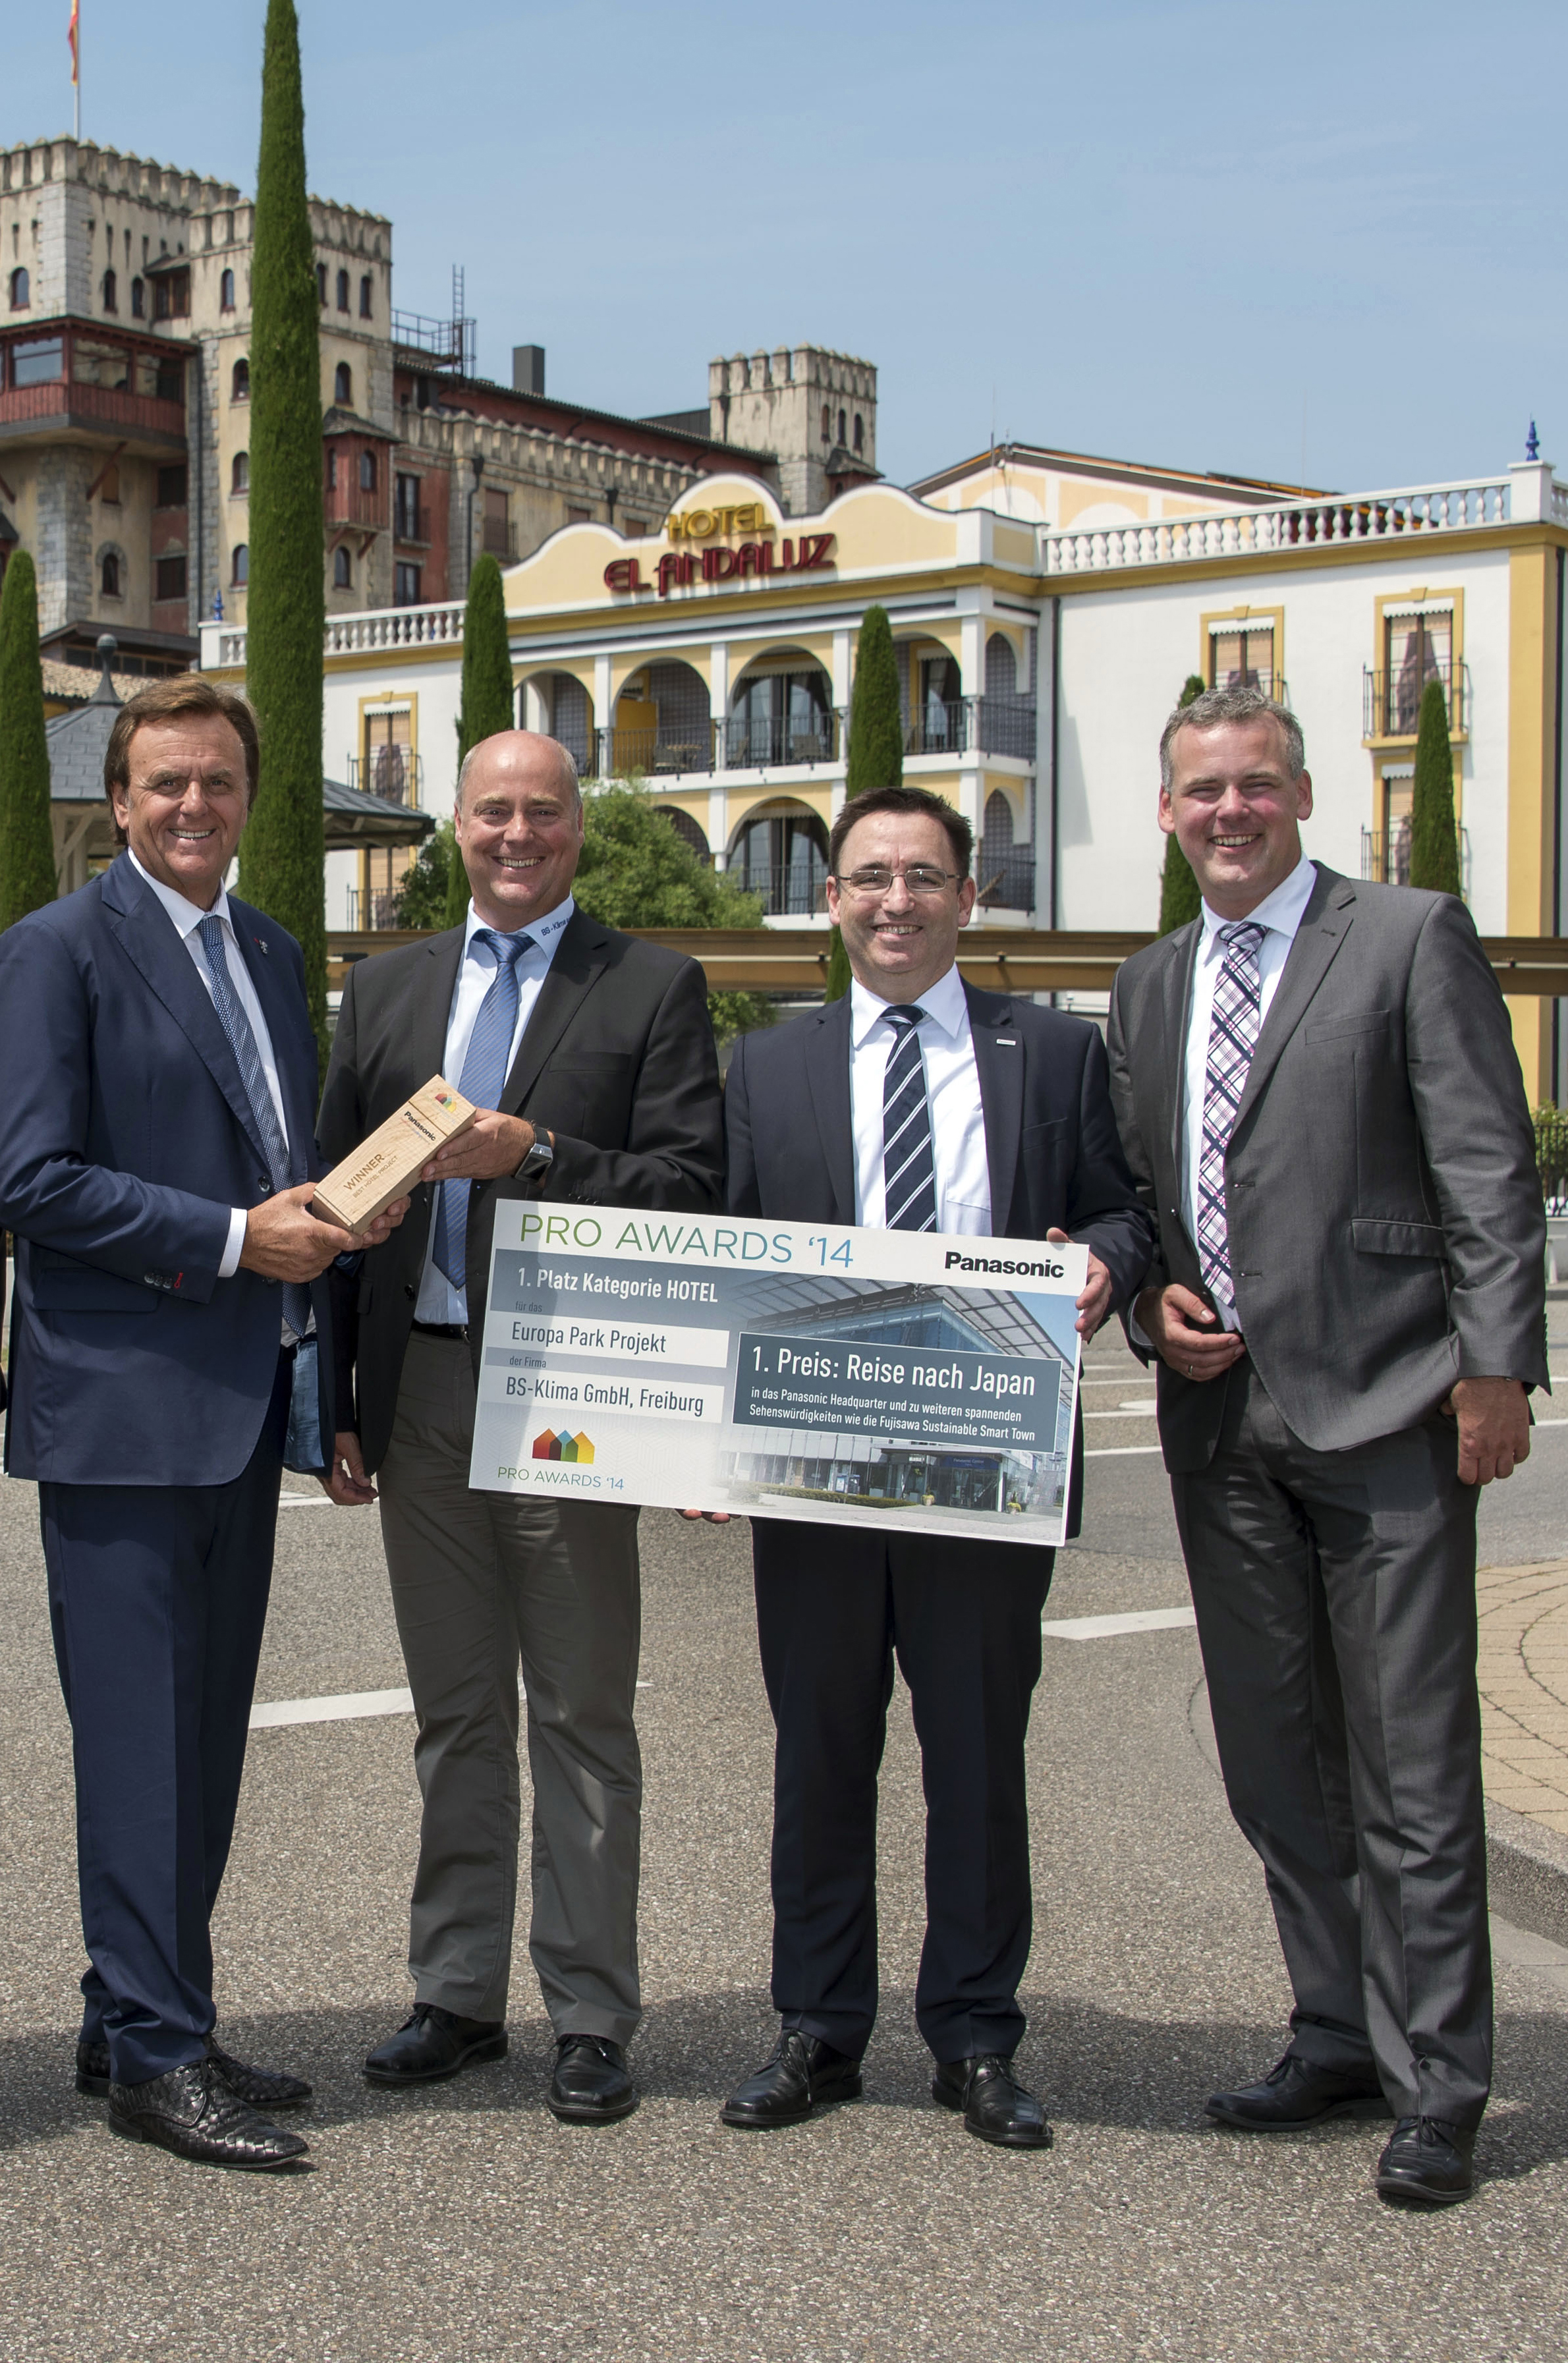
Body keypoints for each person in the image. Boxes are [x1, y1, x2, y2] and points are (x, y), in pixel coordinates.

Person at [1106, 682, 1548, 2208]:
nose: (1227, 810)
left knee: (1410, 1764)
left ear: (1299, 797)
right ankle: (1337, 2029)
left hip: (1389, 1404)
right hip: (1218, 1422)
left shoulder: (1407, 935)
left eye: (1254, 784)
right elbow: (1149, 1192)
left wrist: (1494, 1368)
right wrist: (1147, 1305)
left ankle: (1437, 2086)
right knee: (1272, 1758)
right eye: (1201, 790)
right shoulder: (1149, 982)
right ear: (1166, 813)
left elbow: (1484, 1165)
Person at [0, 676, 405, 2171]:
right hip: (120, 1416)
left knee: (202, 1745)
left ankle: (140, 2010)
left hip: (241, 1408)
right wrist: (239, 1240)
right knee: (139, 1747)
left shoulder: (273, 950)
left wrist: (345, 1212)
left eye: (217, 782)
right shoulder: (54, 951)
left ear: (248, 797)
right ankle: (158, 2061)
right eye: (165, 783)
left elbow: (275, 1153)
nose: (192, 805)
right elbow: (28, 1178)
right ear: (119, 801)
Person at [717, 784, 1154, 2148]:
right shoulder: (766, 1069)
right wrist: (696, 1438)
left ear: (969, 897)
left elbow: (1122, 1210)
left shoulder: (1054, 1054)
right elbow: (725, 1254)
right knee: (819, 1755)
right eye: (869, 877)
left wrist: (1106, 1265)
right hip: (814, 1469)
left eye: (921, 876)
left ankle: (974, 2037)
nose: (894, 900)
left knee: (975, 1757)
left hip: (986, 1461)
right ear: (831, 902)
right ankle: (817, 2028)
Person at [317, 729, 723, 2125]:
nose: (516, 834)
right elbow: (334, 1205)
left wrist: (535, 1153)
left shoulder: (652, 986)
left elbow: (693, 1189)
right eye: (492, 811)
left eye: (542, 812)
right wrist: (341, 1405)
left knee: (582, 1711)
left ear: (575, 827)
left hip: (572, 1392)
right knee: (454, 1712)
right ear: (456, 823)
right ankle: (455, 1994)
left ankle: (592, 2012)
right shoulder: (385, 988)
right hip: (421, 1392)